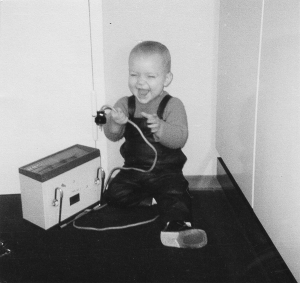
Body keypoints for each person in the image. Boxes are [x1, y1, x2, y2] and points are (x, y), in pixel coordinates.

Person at [103, 41, 207, 249]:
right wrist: (115, 122)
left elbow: (180, 138)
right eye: (134, 75)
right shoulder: (124, 104)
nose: (141, 82)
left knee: (174, 195)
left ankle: (178, 227)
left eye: (150, 76)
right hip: (134, 171)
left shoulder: (173, 105)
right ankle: (151, 199)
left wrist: (161, 128)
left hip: (166, 172)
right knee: (113, 194)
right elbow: (112, 135)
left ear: (166, 79)